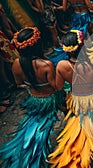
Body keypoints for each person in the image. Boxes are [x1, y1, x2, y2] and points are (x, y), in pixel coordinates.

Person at [0, 27, 58, 167]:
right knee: (44, 127)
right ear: (38, 45)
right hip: (49, 99)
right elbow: (55, 86)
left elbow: (19, 83)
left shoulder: (16, 64)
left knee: (34, 124)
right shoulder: (46, 65)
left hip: (32, 98)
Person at [48, 30, 93, 167]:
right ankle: (87, 147)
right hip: (91, 99)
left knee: (77, 121)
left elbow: (59, 86)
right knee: (91, 121)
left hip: (75, 99)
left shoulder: (61, 65)